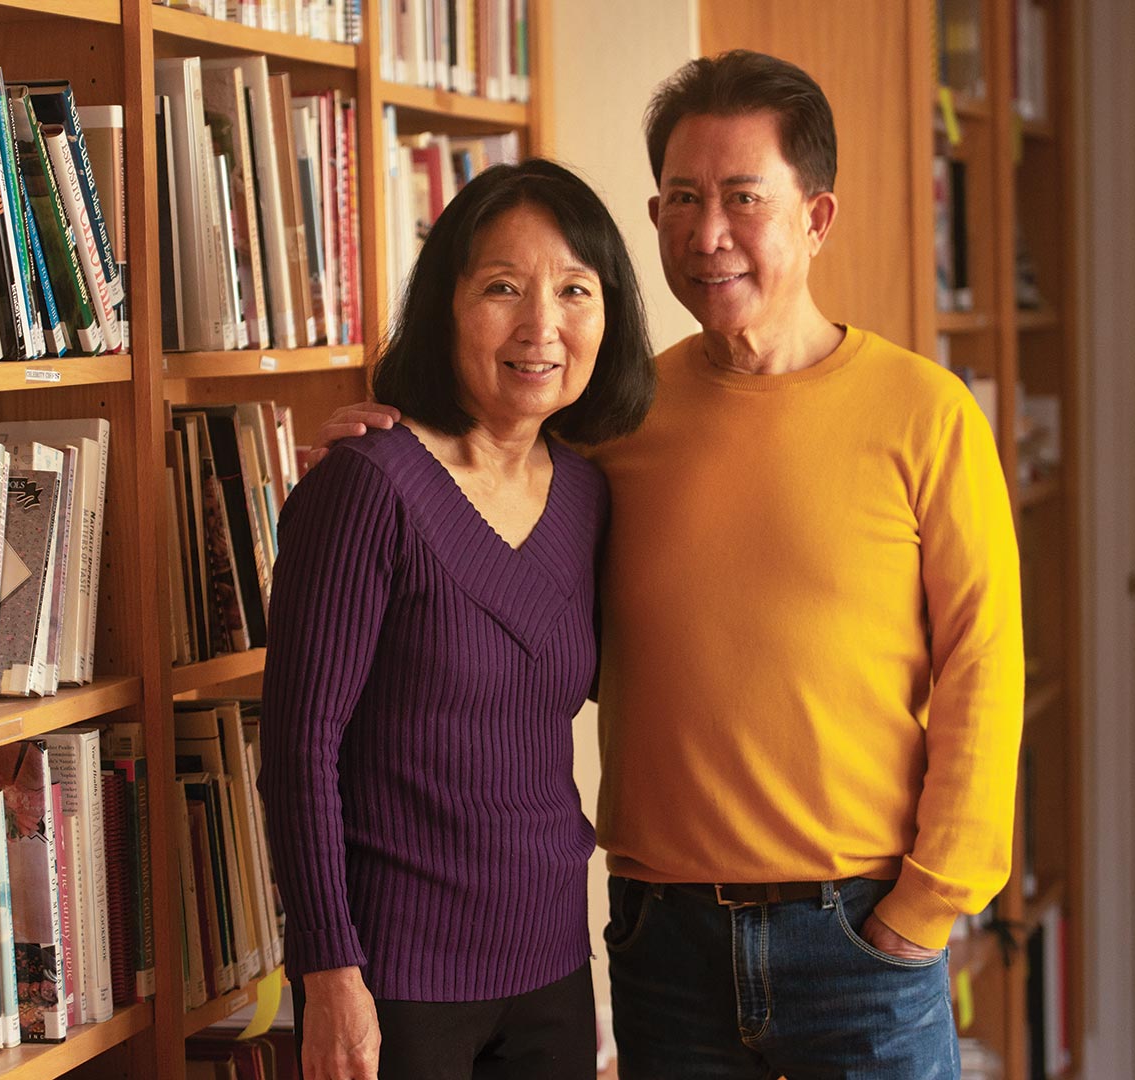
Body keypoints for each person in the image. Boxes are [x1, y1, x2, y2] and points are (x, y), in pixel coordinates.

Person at [310, 50, 1023, 1079]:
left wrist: (928, 905)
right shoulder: (613, 421)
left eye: (743, 198)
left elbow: (983, 668)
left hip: (861, 938)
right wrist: (378, 446)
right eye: (681, 199)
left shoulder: (926, 414)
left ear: (817, 217)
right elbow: (485, 522)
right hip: (663, 948)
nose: (707, 233)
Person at [258, 158, 655, 1080]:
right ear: (446, 305)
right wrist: (329, 975)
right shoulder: (367, 484)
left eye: (575, 291)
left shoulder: (591, 494)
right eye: (502, 288)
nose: (541, 326)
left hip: (553, 967)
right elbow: (298, 747)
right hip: (396, 984)